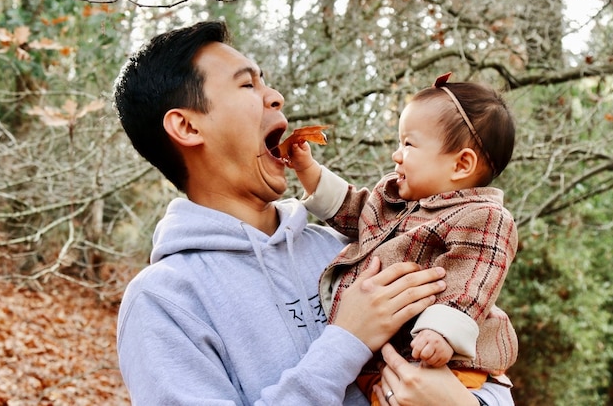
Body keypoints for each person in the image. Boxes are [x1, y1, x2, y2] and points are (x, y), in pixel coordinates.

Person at [113, 20, 515, 405]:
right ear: (186, 126)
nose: (275, 96)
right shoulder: (163, 301)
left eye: (266, 81)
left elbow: (484, 361)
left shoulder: (352, 250)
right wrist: (346, 340)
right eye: (247, 84)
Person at [288, 74, 518, 405]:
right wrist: (309, 173)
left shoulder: (483, 217)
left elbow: (471, 280)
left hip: (450, 366)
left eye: (408, 144)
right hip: (382, 359)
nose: (397, 155)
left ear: (461, 164)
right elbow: (356, 211)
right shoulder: (393, 198)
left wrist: (440, 332)